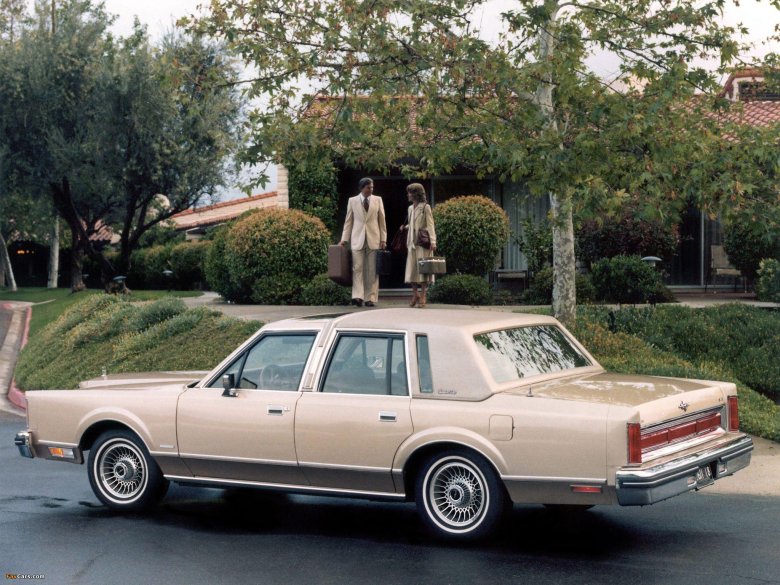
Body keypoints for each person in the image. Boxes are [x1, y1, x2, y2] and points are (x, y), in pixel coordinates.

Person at [340, 178, 387, 307]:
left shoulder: (378, 200)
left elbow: (382, 221)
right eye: (368, 188)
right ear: (362, 188)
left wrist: (383, 239)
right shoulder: (352, 201)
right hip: (357, 239)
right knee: (357, 268)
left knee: (372, 270)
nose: (371, 190)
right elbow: (348, 221)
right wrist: (344, 239)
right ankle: (358, 296)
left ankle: (370, 298)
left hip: (374, 238)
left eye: (372, 187)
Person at [400, 183, 436, 308]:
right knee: (412, 270)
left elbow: (430, 224)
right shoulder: (410, 208)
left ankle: (423, 295)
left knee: (423, 270)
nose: (408, 195)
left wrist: (433, 241)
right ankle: (415, 294)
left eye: (410, 192)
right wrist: (406, 227)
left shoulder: (425, 207)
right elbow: (412, 223)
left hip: (422, 242)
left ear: (416, 194)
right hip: (411, 243)